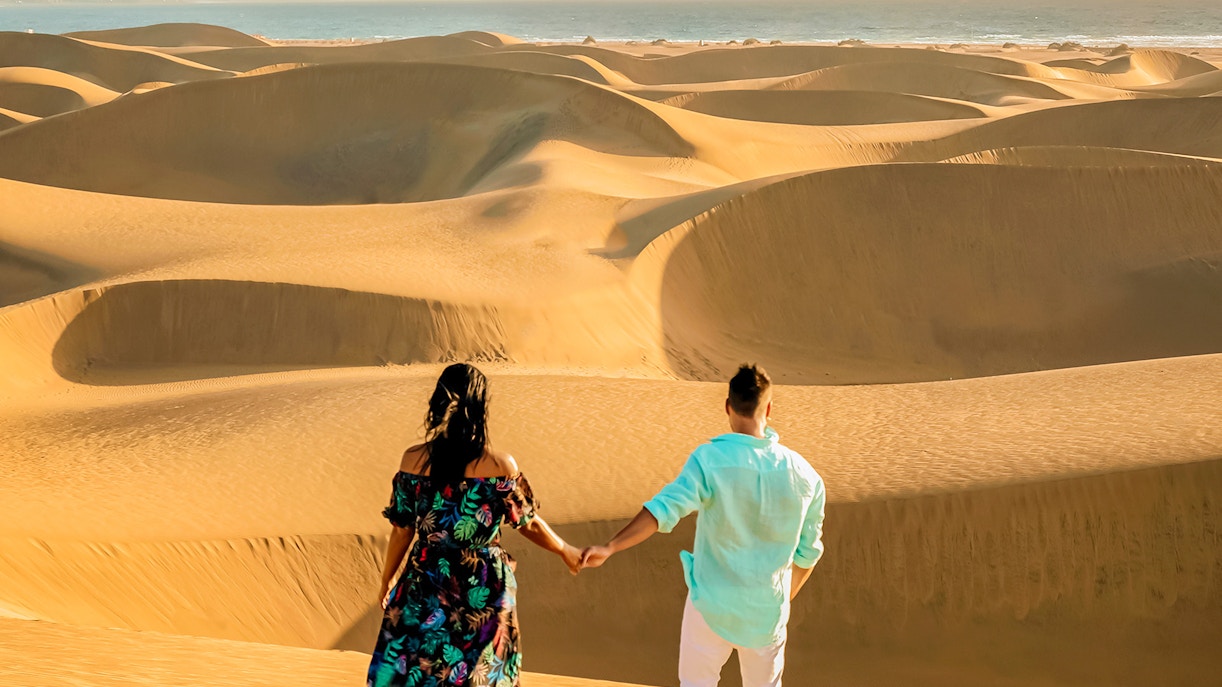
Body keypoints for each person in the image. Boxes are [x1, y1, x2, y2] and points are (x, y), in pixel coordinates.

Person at [580, 363, 825, 687]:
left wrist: (609, 546)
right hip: (766, 615)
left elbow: (663, 509)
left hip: (711, 606)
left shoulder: (709, 460)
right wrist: (777, 599)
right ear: (769, 409)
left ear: (728, 407)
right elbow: (808, 553)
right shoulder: (807, 476)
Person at [369, 363, 583, 687]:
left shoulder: (412, 461)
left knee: (421, 671)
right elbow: (528, 523)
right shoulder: (499, 466)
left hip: (428, 580)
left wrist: (388, 579)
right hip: (484, 587)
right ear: (480, 408)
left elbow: (402, 528)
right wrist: (566, 550)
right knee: (481, 677)